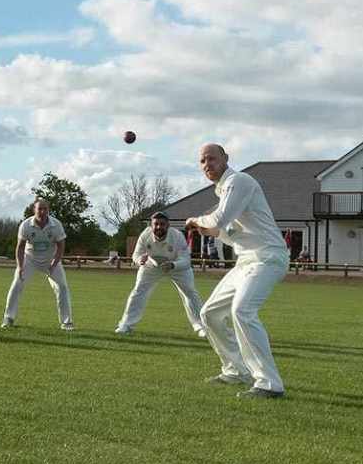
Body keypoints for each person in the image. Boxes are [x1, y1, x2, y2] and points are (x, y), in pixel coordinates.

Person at [186, 143, 289, 399]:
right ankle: (235, 370)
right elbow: (228, 232)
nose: (207, 164)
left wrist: (197, 221)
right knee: (209, 314)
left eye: (211, 158)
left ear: (226, 159)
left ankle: (269, 383)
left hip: (268, 257)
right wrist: (208, 230)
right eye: (202, 161)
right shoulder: (226, 192)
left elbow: (218, 219)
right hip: (246, 262)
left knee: (242, 310)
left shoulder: (239, 180)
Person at [114, 212, 206, 337]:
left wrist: (173, 265)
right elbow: (136, 255)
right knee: (138, 292)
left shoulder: (177, 236)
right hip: (151, 266)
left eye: (162, 224)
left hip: (176, 267)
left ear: (168, 225)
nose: (158, 227)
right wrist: (139, 260)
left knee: (190, 293)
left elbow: (186, 261)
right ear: (151, 225)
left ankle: (201, 326)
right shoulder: (145, 235)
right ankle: (125, 325)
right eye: (155, 224)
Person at [2, 198, 74, 330]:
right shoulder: (25, 225)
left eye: (45, 209)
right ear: (34, 210)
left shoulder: (56, 225)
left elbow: (61, 246)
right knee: (17, 284)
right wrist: (19, 267)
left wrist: (54, 263)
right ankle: (8, 319)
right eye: (39, 209)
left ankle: (67, 322)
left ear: (48, 210)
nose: (42, 211)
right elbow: (19, 248)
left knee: (62, 288)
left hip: (50, 260)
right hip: (29, 259)